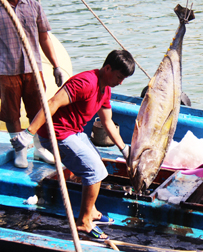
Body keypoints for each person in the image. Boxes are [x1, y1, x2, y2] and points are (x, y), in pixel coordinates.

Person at [11, 49, 135, 241]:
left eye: (123, 79)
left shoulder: (106, 89)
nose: (120, 83)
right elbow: (51, 103)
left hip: (74, 132)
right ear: (107, 68)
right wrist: (29, 133)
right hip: (56, 134)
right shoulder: (85, 83)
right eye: (119, 77)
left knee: (98, 165)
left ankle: (91, 211)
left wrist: (124, 149)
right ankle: (84, 222)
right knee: (94, 171)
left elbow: (108, 121)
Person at [0, 0, 64, 168]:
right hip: (6, 70)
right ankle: (19, 148)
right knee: (11, 112)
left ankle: (38, 147)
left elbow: (44, 37)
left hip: (32, 68)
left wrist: (56, 66)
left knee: (38, 109)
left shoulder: (33, 6)